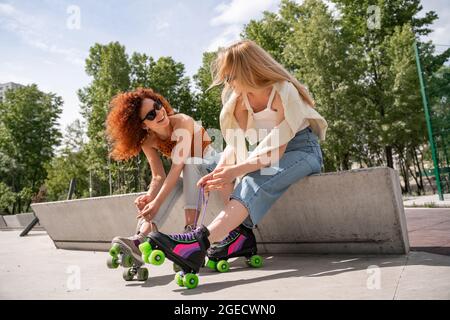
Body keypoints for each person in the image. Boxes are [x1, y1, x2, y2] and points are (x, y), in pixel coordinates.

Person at [144, 40, 328, 287]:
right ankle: (238, 237)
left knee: (253, 179)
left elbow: (276, 149)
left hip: (303, 150)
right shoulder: (239, 101)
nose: (227, 83)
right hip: (268, 152)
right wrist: (221, 172)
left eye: (229, 76)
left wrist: (237, 169)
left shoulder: (283, 91)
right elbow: (235, 144)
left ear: (247, 69)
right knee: (227, 171)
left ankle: (198, 243)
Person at [105, 87, 217, 264]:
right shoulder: (148, 142)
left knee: (188, 162)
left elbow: (178, 166)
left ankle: (190, 235)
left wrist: (156, 202)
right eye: (150, 115)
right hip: (190, 176)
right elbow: (158, 176)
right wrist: (150, 196)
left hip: (212, 166)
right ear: (143, 124)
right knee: (161, 193)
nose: (159, 113)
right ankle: (140, 239)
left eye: (157, 106)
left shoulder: (182, 121)